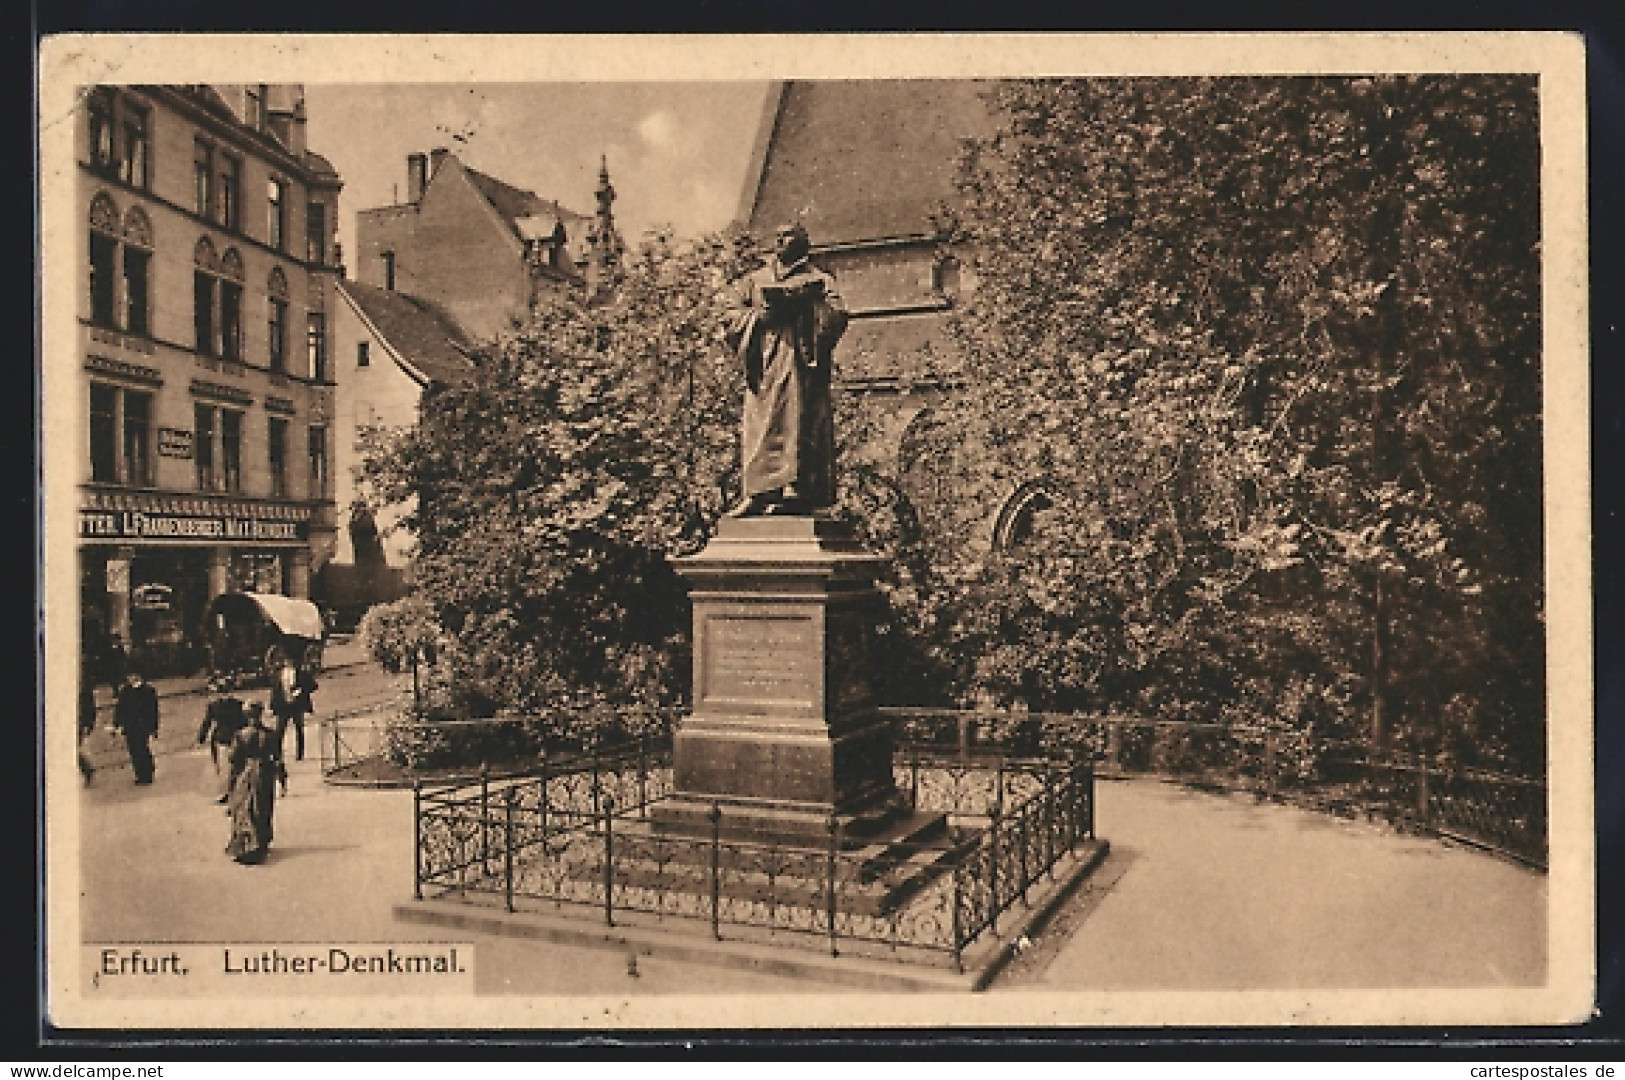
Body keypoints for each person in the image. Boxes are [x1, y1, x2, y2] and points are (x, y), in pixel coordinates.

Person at [723, 221, 849, 516]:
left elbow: (838, 316)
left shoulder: (820, 279)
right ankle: (758, 492)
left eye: (788, 235)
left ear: (803, 242)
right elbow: (729, 316)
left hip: (801, 366)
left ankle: (798, 489)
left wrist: (806, 305)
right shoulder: (754, 280)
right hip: (763, 369)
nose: (780, 239)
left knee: (798, 422)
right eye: (777, 235)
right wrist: (760, 317)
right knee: (759, 427)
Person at [224, 702, 279, 864]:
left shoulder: (241, 735)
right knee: (263, 806)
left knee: (245, 808)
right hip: (265, 772)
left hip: (247, 772)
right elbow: (277, 758)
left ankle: (246, 845)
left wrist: (232, 783)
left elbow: (234, 759)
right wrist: (282, 778)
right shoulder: (270, 734)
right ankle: (262, 842)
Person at [198, 676, 247, 801]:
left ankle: (226, 792)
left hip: (221, 738)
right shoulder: (239, 705)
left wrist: (201, 738)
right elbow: (244, 722)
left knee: (223, 767)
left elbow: (207, 723)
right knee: (236, 765)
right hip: (236, 738)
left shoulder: (213, 706)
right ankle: (236, 791)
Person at [111, 668, 159, 785]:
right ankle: (139, 774)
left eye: (133, 676)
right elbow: (119, 709)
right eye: (129, 676)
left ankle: (147, 774)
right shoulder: (125, 691)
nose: (130, 678)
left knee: (142, 748)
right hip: (129, 726)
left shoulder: (148, 691)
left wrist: (153, 727)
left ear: (139, 676)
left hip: (143, 725)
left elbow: (153, 711)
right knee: (133, 750)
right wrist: (116, 724)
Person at [269, 656, 311, 775]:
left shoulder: (301, 673)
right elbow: (275, 691)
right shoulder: (278, 674)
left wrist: (300, 691)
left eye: (290, 661)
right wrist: (273, 707)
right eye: (286, 661)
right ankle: (277, 753)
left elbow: (312, 685)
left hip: (296, 705)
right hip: (283, 707)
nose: (288, 663)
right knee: (279, 731)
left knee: (299, 728)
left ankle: (300, 754)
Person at [77, 674, 97, 786]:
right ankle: (87, 769)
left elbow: (90, 710)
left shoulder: (85, 693)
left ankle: (87, 769)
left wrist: (89, 725)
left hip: (79, 723)